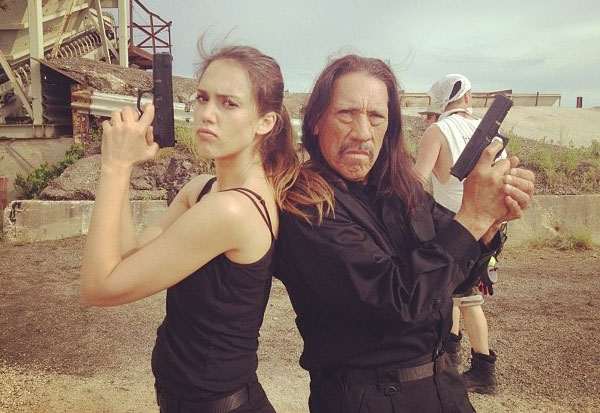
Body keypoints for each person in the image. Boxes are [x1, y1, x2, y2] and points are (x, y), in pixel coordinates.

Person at [274, 55, 534, 412]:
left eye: (376, 117)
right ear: (316, 121)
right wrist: (472, 217)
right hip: (366, 399)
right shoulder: (305, 204)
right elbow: (396, 301)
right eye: (346, 113)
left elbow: (456, 278)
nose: (362, 133)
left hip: (444, 388)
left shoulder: (401, 190)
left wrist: (491, 220)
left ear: (390, 127)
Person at [80, 45, 300, 412]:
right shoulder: (203, 189)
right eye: (202, 98)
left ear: (265, 122)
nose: (207, 115)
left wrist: (113, 168)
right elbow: (128, 257)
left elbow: (99, 288)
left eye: (229, 103)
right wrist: (126, 167)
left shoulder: (231, 210)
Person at [414, 74, 504, 395]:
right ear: (466, 97)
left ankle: (483, 371)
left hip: (454, 225)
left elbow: (417, 179)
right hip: (489, 227)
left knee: (465, 298)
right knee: (455, 294)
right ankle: (449, 357)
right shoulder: (491, 134)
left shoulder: (438, 131)